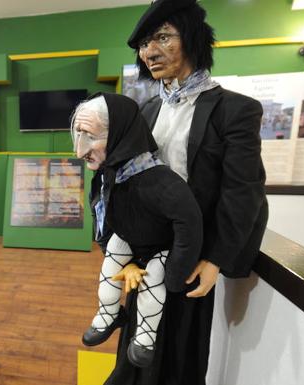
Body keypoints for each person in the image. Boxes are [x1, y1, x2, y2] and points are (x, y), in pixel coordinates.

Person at [104, 1, 268, 384]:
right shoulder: (143, 112)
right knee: (134, 353)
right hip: (143, 257)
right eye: (144, 44)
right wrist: (119, 246)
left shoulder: (236, 110)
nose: (149, 52)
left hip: (192, 258)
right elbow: (124, 182)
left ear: (193, 40)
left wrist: (215, 261)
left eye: (161, 38)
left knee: (177, 359)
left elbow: (242, 192)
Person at [74, 92, 203, 368]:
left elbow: (189, 223)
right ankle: (109, 313)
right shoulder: (107, 175)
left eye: (90, 136)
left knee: (153, 280)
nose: (80, 150)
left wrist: (175, 275)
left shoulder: (160, 181)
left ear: (120, 133)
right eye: (78, 134)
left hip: (160, 246)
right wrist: (120, 255)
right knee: (110, 267)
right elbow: (103, 215)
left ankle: (145, 336)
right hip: (130, 237)